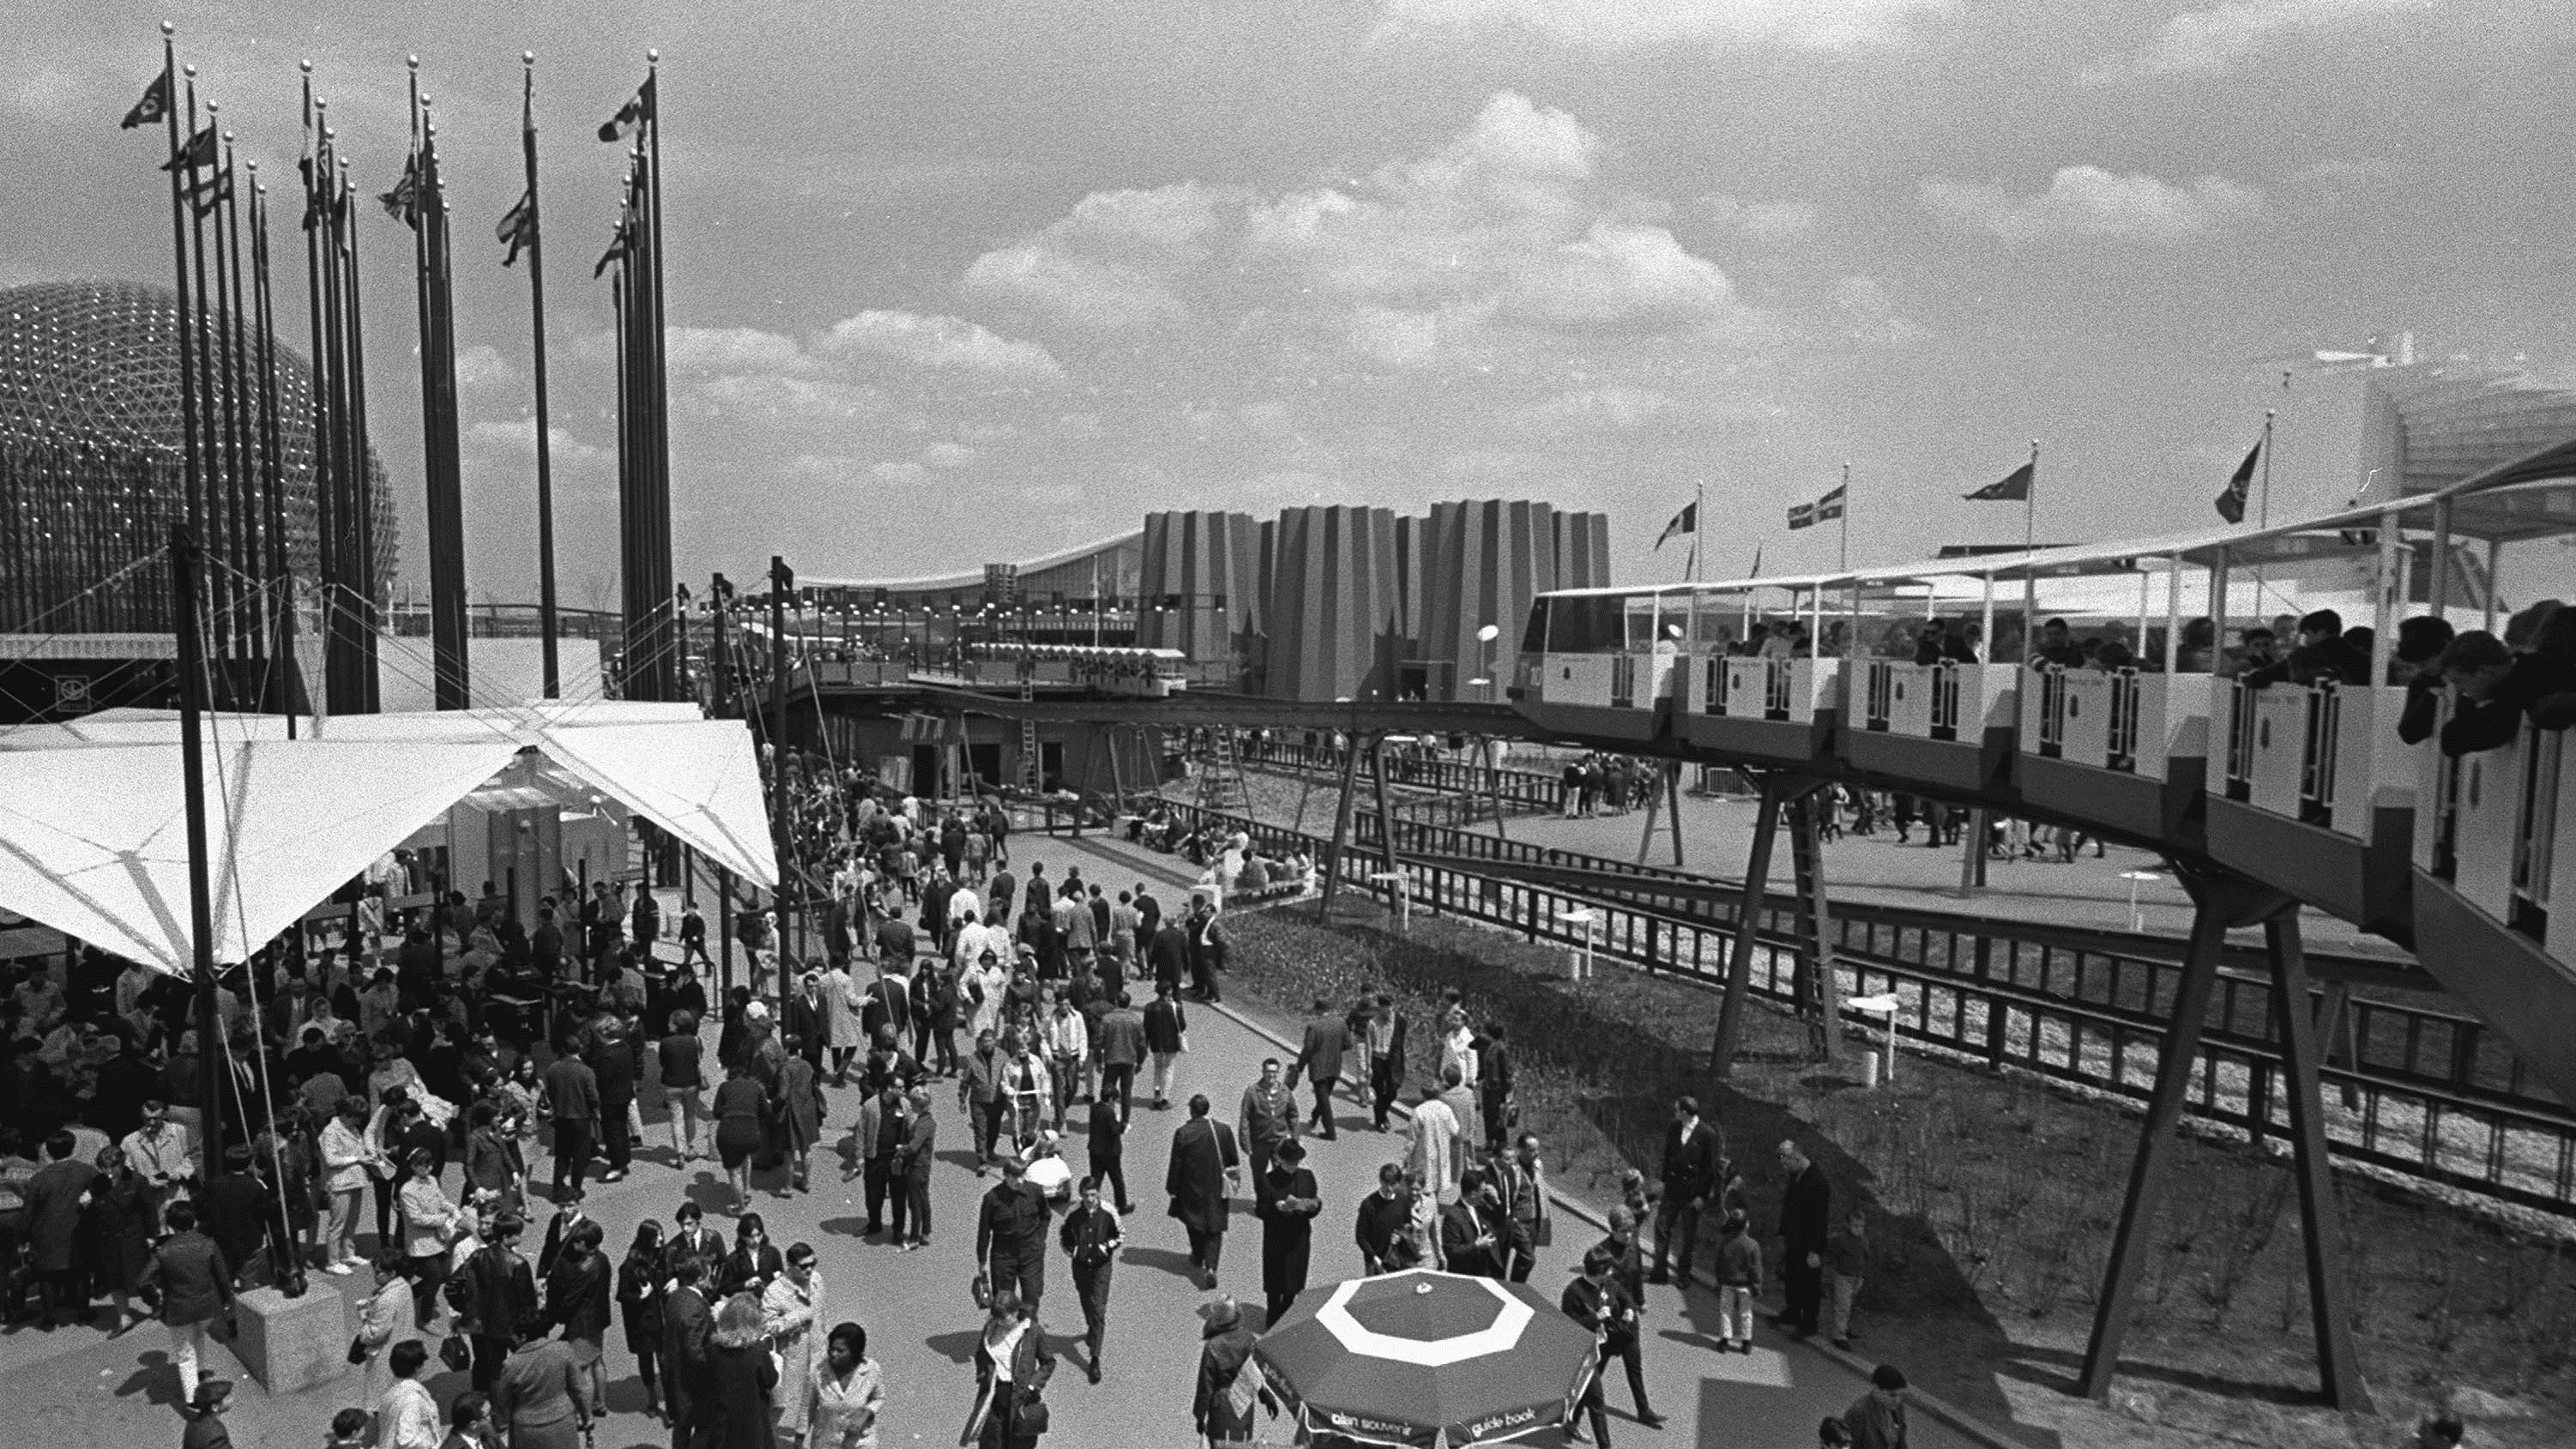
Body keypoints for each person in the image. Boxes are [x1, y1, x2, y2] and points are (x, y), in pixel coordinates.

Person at [142, 1198, 234, 1404]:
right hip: (207, 1306)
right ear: (194, 1221)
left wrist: (155, 1302)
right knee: (199, 1339)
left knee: (185, 1356)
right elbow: (223, 1279)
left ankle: (195, 1401)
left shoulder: (164, 1251)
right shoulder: (208, 1244)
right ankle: (200, 1372)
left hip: (178, 1309)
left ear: (170, 1224)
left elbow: (143, 1281)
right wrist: (228, 1303)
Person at [455, 1212, 540, 1391]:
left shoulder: (478, 1256)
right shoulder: (518, 1263)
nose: (522, 1237)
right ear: (506, 1237)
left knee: (493, 1371)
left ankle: (495, 1407)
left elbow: (453, 1286)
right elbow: (528, 1302)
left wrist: (469, 1308)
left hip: (485, 1326)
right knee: (524, 1367)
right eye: (518, 1234)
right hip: (512, 1327)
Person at [23, 1127, 97, 1327]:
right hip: (77, 1229)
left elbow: (29, 1211)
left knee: (47, 1276)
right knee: (80, 1272)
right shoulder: (86, 1171)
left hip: (45, 1233)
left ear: (48, 1151)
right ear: (73, 1147)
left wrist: (24, 1237)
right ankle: (83, 1312)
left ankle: (49, 1318)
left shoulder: (39, 1178)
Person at [1166, 1093, 1240, 1290]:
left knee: (1194, 1222)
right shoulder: (1223, 1131)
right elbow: (1233, 1159)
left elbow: (1176, 1164)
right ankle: (1211, 1267)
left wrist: (1172, 1187)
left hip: (1192, 1186)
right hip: (1216, 1185)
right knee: (1214, 1227)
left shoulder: (1184, 1133)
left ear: (1191, 1110)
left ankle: (1198, 1255)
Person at [1649, 1096, 1721, 1287]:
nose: (1675, 1113)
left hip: (1692, 1193)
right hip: (1672, 1189)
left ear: (1686, 1113)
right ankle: (1659, 1270)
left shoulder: (1707, 1135)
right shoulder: (1674, 1128)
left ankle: (1683, 1274)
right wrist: (1664, 1182)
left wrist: (1702, 1196)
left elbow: (1710, 1170)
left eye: (1677, 1110)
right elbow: (1668, 1156)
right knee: (1662, 1227)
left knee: (1688, 1236)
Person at [967, 1290, 1053, 1449]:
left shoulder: (1033, 1332)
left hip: (1021, 1398)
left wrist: (1033, 1385)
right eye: (997, 1318)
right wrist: (982, 1374)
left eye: (1004, 1318)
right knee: (990, 1443)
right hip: (994, 1396)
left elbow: (1048, 1362)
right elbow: (981, 1353)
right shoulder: (991, 1328)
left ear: (1015, 1312)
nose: (1000, 1322)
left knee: (1018, 1443)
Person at [546, 1222, 614, 1420]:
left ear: (586, 1244)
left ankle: (586, 1415)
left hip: (581, 1322)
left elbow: (571, 1299)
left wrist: (557, 1316)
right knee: (598, 1360)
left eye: (578, 1242)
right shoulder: (603, 1260)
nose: (574, 1246)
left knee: (582, 1368)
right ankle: (600, 1403)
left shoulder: (586, 1268)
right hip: (599, 1318)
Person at [1058, 1175, 1121, 1383]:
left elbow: (1119, 1235)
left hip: (1102, 1267)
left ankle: (1094, 1358)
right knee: (1086, 1302)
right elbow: (1064, 1238)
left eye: (1093, 1195)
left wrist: (1106, 1247)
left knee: (1099, 1311)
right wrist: (1075, 1252)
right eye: (1086, 1196)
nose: (1090, 1199)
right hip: (1081, 1267)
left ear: (1099, 1194)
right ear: (1081, 1196)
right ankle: (1092, 1329)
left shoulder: (1109, 1212)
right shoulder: (1073, 1214)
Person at [1189, 1295, 1276, 1447]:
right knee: (1241, 1443)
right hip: (1244, 1402)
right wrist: (1266, 1396)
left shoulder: (1212, 1346)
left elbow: (1206, 1386)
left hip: (1220, 1407)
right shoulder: (1248, 1338)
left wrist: (1200, 1416)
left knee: (1220, 1443)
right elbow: (1255, 1372)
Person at [1559, 1248, 1625, 1446]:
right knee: (1597, 1401)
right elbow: (1570, 1327)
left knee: (1583, 1391)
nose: (1612, 1273)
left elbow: (1619, 1295)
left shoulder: (1605, 1284)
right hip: (1582, 1352)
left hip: (1602, 1346)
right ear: (1600, 1272)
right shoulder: (1573, 1292)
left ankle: (1571, 1424)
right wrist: (1596, 1317)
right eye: (1609, 1270)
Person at [763, 1244, 827, 1445]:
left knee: (811, 1404)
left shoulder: (817, 1281)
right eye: (804, 1266)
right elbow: (768, 1326)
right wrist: (797, 1318)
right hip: (792, 1359)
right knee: (783, 1407)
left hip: (817, 1353)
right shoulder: (775, 1292)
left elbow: (822, 1316)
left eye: (813, 1264)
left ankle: (799, 1441)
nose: (810, 1270)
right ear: (790, 1266)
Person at [493, 1320, 592, 1449]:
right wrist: (587, 1417)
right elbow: (580, 1389)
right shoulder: (562, 1349)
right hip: (563, 1420)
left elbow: (504, 1399)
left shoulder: (512, 1364)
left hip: (529, 1429)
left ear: (523, 1337)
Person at [1253, 1138, 1320, 1327]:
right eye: (1289, 1163)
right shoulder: (1267, 1180)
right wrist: (1278, 1207)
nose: (1293, 1167)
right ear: (1280, 1160)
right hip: (1277, 1238)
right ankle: (1272, 1322)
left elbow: (1314, 1203)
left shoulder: (1307, 1176)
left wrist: (1311, 1206)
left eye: (1296, 1163)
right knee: (1275, 1288)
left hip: (1299, 1238)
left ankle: (1284, 1321)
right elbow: (1261, 1210)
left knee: (1294, 1285)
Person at [976, 1155, 1050, 1311]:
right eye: (1015, 1177)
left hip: (1031, 1254)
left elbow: (1045, 1215)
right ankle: (1004, 1332)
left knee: (1031, 1297)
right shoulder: (992, 1199)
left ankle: (1029, 1332)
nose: (1020, 1181)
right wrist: (981, 1261)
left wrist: (1040, 1239)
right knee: (1003, 1302)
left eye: (1022, 1175)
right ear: (1006, 1176)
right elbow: (984, 1231)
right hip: (1004, 1256)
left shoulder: (1035, 1191)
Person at [661, 1253, 719, 1449]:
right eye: (708, 1276)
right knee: (704, 1429)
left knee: (681, 1428)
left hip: (676, 1377)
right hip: (693, 1387)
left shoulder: (676, 1297)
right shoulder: (696, 1308)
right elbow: (695, 1351)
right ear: (700, 1279)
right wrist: (714, 1371)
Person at [1777, 1138, 1832, 1339]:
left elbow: (1820, 1220)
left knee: (1809, 1283)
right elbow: (1788, 1206)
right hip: (1793, 1239)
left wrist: (1815, 1250)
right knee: (1792, 1277)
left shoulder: (1818, 1183)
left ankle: (1809, 1322)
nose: (1785, 1168)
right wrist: (1783, 1231)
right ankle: (1793, 1311)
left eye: (1786, 1163)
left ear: (1797, 1157)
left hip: (1808, 1243)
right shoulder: (1796, 1176)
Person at [618, 1222, 669, 1422]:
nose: (661, 1240)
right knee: (647, 1361)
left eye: (661, 1235)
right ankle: (652, 1398)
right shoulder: (631, 1265)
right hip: (643, 1323)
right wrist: (641, 1296)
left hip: (661, 1317)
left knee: (665, 1362)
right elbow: (622, 1295)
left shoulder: (663, 1255)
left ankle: (671, 1404)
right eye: (656, 1237)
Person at [354, 1253, 419, 1409]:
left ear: (392, 1273)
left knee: (383, 1402)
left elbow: (375, 1334)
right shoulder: (403, 1286)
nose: (375, 1276)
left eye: (379, 1272)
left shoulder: (387, 1298)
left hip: (386, 1355)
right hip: (404, 1347)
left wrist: (364, 1317)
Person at [808, 1321, 885, 1449]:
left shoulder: (872, 1369)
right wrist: (799, 1439)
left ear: (855, 1352)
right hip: (826, 1442)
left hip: (860, 1442)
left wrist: (866, 1413)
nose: (833, 1354)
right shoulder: (818, 1371)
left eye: (840, 1351)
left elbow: (879, 1398)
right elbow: (807, 1407)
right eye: (831, 1348)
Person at [541, 1048, 600, 1206]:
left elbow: (550, 1093)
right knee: (580, 1157)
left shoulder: (552, 1069)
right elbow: (592, 1096)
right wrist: (595, 1111)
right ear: (579, 1051)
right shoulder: (585, 1071)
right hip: (581, 1118)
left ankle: (557, 1189)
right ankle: (575, 1190)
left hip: (561, 1117)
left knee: (562, 1156)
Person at [1493, 1132, 1549, 1283]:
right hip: (1517, 1220)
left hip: (1533, 1220)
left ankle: (1517, 1286)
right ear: (1521, 1150)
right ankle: (1510, 1284)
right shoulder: (1513, 1168)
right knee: (1528, 1258)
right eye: (1531, 1150)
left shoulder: (1536, 1167)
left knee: (1524, 1258)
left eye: (1537, 1149)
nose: (1536, 1153)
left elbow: (1540, 1191)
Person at [1288, 998, 1347, 1141]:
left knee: (1323, 1099)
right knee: (1324, 1096)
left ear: (1318, 1010)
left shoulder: (1314, 1026)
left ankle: (1330, 1131)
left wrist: (1299, 1067)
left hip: (1319, 1066)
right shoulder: (1341, 1023)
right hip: (1334, 1065)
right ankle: (1315, 1117)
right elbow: (1347, 1044)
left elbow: (1308, 1048)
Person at [774, 1033, 825, 1195]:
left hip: (792, 1111)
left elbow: (783, 1094)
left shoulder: (786, 1069)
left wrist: (772, 1105)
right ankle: (806, 1181)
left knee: (790, 1151)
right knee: (806, 1148)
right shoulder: (807, 1066)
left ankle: (788, 1187)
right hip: (808, 1110)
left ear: (786, 1049)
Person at [712, 1060, 766, 1211]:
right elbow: (766, 1111)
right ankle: (747, 1189)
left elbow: (716, 1113)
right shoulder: (755, 1087)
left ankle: (741, 1208)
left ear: (730, 1074)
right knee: (746, 1156)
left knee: (734, 1171)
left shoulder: (724, 1088)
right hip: (751, 1133)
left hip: (729, 1133)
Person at [1406, 1066, 1464, 1204]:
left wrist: (1406, 1157)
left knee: (1423, 1182)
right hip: (1441, 1151)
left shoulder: (1419, 1111)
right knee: (1438, 1180)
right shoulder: (1446, 1110)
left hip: (1423, 1153)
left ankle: (1421, 1208)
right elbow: (1456, 1131)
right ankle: (1434, 1205)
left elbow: (1412, 1138)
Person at [1236, 1058, 1298, 1182]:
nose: (1272, 1075)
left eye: (1274, 1072)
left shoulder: (1285, 1091)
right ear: (1263, 1072)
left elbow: (1293, 1115)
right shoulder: (1252, 1092)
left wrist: (1295, 1138)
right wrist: (1245, 1143)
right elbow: (1245, 1118)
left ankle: (1277, 1201)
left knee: (1281, 1177)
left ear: (1278, 1073)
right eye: (1269, 1071)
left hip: (1280, 1142)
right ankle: (1262, 1200)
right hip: (1259, 1142)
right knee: (1259, 1178)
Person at [661, 1010, 709, 1162]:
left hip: (672, 1085)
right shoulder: (696, 1041)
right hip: (691, 1084)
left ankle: (680, 1151)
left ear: (676, 1026)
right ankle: (690, 1146)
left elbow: (662, 1062)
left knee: (676, 1117)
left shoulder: (666, 1043)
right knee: (690, 1116)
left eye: (670, 1022)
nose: (668, 1025)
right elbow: (699, 1060)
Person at [379, 1338, 443, 1449]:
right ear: (417, 1367)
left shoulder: (392, 1389)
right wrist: (432, 1445)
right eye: (424, 1361)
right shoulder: (412, 1399)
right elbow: (406, 1440)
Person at [1713, 1211, 1762, 1353]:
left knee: (1725, 1312)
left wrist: (1718, 1280)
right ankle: (1746, 1342)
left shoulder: (1725, 1242)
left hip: (1728, 1284)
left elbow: (1718, 1263)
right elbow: (1756, 1268)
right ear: (1747, 1225)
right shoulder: (1753, 1245)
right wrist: (1756, 1285)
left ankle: (1724, 1339)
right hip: (1745, 1286)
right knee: (1746, 1313)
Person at [1360, 995, 1407, 1132]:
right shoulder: (1372, 1023)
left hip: (1393, 1060)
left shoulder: (1400, 1021)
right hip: (1378, 1059)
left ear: (1392, 1006)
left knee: (1393, 1091)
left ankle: (1383, 1112)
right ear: (1380, 1008)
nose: (1387, 1012)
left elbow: (1401, 1043)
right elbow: (1369, 1046)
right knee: (1378, 1091)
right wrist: (1368, 1066)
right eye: (1383, 1009)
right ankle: (1379, 1120)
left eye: (1389, 1008)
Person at [1354, 1163, 1413, 1274]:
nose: (1389, 1188)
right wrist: (1374, 1258)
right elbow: (1360, 1236)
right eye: (1386, 1184)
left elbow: (1408, 1225)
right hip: (1374, 1262)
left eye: (1393, 1184)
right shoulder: (1368, 1204)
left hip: (1398, 1260)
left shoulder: (1403, 1201)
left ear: (1399, 1183)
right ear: (1381, 1181)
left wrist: (1400, 1234)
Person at [897, 1089, 938, 1252]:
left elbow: (913, 1147)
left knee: (915, 1203)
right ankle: (926, 1232)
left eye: (913, 1103)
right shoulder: (929, 1121)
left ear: (918, 1106)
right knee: (924, 1199)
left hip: (916, 1166)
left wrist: (901, 1148)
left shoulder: (922, 1125)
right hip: (925, 1165)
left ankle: (914, 1237)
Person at [1825, 1207, 1869, 1349]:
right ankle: (1839, 1335)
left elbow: (1865, 1257)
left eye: (1861, 1226)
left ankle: (1844, 1328)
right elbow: (1831, 1253)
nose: (1858, 1229)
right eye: (1855, 1226)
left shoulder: (1863, 1240)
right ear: (1848, 1225)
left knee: (1849, 1305)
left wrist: (1862, 1275)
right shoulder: (1841, 1239)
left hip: (1857, 1277)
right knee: (1842, 1306)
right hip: (1843, 1277)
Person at [1841, 1363, 1910, 1449]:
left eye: (1901, 1395)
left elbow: (1900, 1440)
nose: (1897, 1400)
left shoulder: (1897, 1407)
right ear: (1876, 1388)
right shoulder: (1858, 1413)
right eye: (1892, 1395)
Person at [1142, 983, 1189, 1110]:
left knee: (1157, 1070)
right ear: (1168, 991)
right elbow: (1182, 1025)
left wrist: (1144, 1045)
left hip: (1156, 1044)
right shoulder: (1175, 1007)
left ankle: (1157, 1095)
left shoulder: (1149, 1007)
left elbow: (1146, 1028)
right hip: (1171, 1044)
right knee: (1169, 1069)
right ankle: (1165, 1098)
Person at [180, 1378, 235, 1449]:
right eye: (227, 1398)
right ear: (214, 1407)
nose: (232, 1399)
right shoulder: (216, 1432)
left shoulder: (194, 1419)